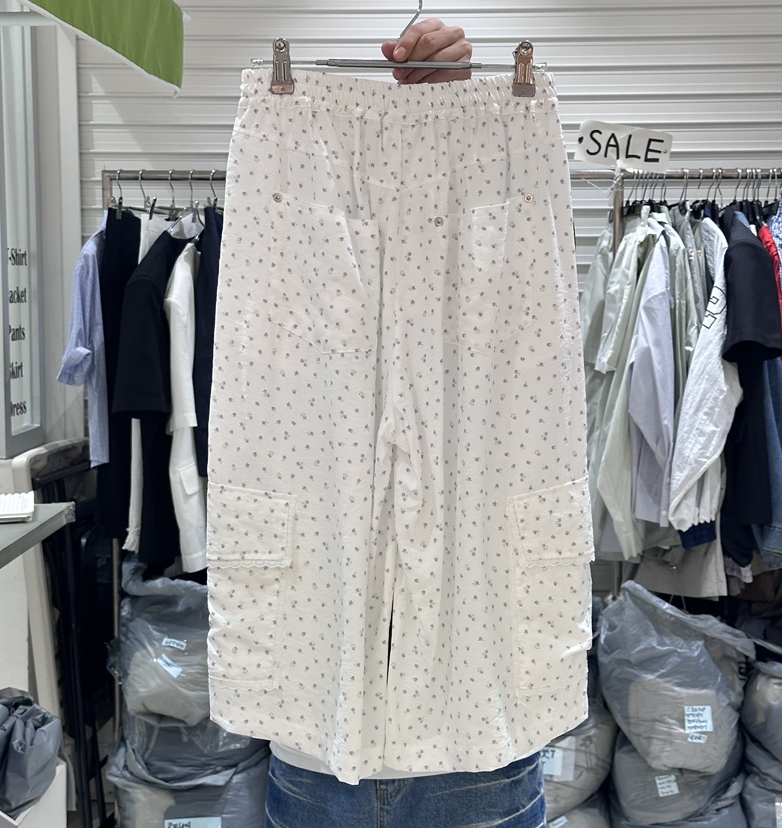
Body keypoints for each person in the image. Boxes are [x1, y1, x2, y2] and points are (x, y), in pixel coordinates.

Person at [260, 20, 549, 828]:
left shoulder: (498, 186)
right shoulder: (294, 181)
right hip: (331, 745)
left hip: (473, 740)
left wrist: (463, 127)